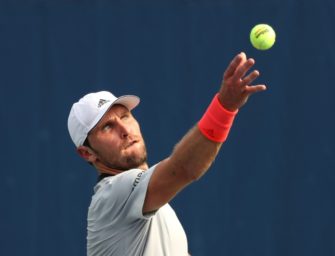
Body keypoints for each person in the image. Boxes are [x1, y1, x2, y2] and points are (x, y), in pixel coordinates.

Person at [67, 52, 266, 256]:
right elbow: (183, 169)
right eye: (108, 127)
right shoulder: (112, 195)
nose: (124, 130)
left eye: (125, 117)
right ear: (87, 153)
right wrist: (224, 107)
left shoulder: (155, 208)